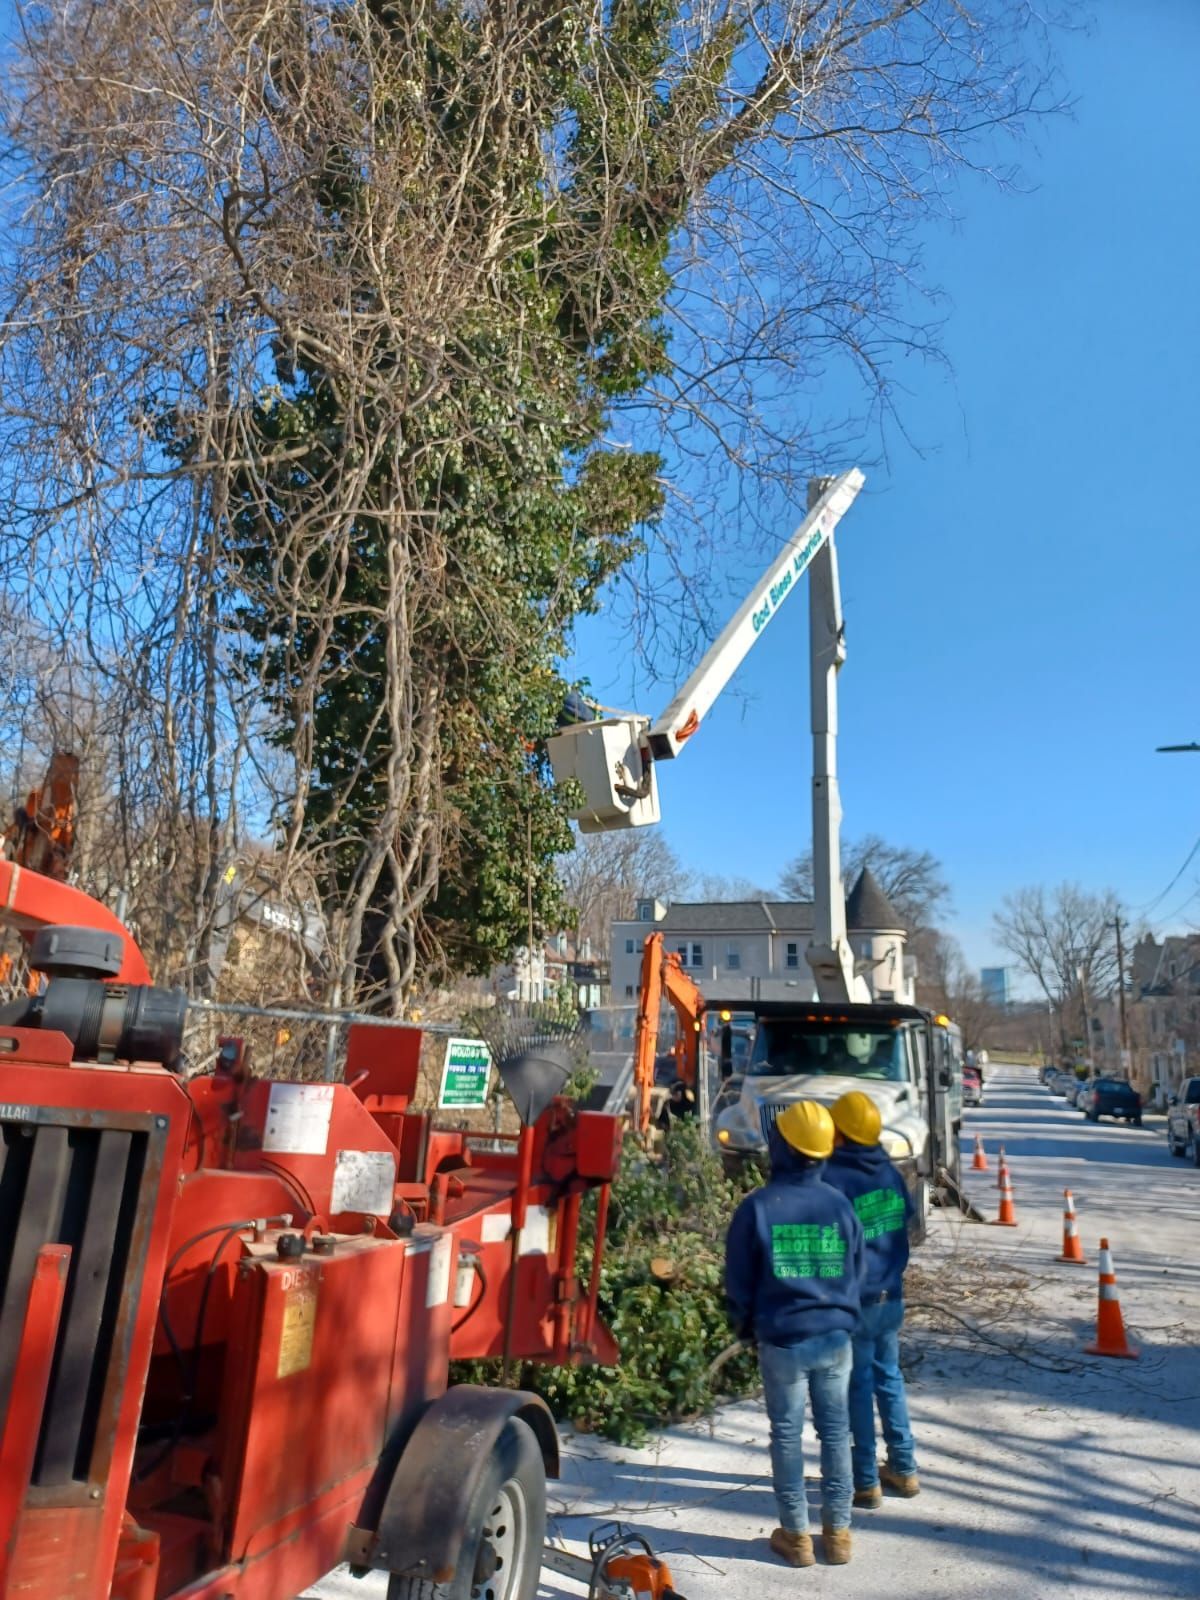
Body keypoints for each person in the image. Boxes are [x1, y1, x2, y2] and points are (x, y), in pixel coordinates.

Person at [725, 1100, 866, 1568]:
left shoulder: (758, 1208)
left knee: (786, 1435)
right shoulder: (841, 1205)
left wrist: (746, 1327)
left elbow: (740, 1281)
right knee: (836, 1432)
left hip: (782, 1340)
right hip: (834, 1337)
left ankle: (796, 1536)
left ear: (783, 1147)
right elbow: (856, 1271)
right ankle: (839, 1533)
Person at [824, 1090, 920, 1508]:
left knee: (858, 1386)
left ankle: (865, 1479)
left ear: (840, 1132)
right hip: (891, 1296)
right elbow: (909, 1224)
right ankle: (904, 1466)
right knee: (890, 1378)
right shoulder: (890, 1173)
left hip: (856, 1302)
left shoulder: (833, 1179)